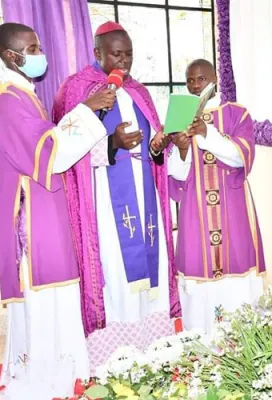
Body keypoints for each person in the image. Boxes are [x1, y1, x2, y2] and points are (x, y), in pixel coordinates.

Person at [52, 21, 180, 369]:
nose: (124, 63)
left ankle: (155, 349)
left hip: (145, 195)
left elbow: (156, 154)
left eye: (129, 55)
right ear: (97, 53)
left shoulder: (139, 91)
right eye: (116, 54)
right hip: (105, 202)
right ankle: (117, 359)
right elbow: (65, 154)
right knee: (115, 269)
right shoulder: (78, 90)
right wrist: (112, 144)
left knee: (151, 264)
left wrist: (158, 145)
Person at [0, 22, 116, 397]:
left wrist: (85, 113)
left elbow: (46, 139)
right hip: (32, 222)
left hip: (43, 211)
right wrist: (86, 110)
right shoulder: (8, 100)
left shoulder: (22, 94)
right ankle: (43, 385)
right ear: (10, 56)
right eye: (32, 48)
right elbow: (49, 152)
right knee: (43, 302)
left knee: (52, 301)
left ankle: (62, 379)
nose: (39, 54)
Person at [168, 59, 265, 333]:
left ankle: (241, 342)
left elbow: (241, 157)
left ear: (215, 79)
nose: (196, 85)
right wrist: (182, 148)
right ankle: (199, 346)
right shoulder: (179, 117)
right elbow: (176, 174)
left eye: (201, 78)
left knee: (236, 276)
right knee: (198, 283)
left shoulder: (236, 113)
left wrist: (206, 133)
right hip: (195, 211)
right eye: (190, 80)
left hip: (231, 208)